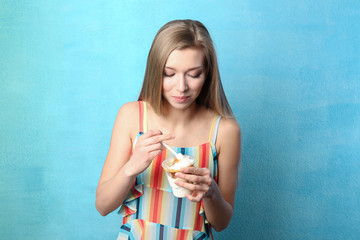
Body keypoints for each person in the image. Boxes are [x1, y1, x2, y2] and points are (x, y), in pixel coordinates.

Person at [96, 19, 241, 239]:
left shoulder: (226, 131)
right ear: (155, 71)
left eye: (193, 74)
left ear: (208, 73)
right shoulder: (131, 116)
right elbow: (103, 206)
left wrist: (211, 192)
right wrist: (131, 167)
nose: (181, 87)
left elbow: (221, 223)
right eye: (169, 74)